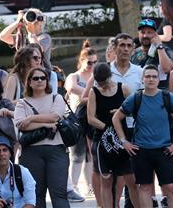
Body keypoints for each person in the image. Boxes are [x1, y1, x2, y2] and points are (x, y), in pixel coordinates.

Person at [112, 65, 173, 208]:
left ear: (158, 79)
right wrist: (124, 142)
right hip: (141, 150)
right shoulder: (135, 98)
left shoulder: (166, 97)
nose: (151, 79)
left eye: (154, 76)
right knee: (145, 188)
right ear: (142, 79)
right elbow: (116, 118)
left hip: (164, 150)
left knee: (171, 188)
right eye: (147, 76)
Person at [14, 66, 69, 208]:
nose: (39, 80)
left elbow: (55, 117)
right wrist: (45, 125)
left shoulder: (57, 98)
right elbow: (20, 124)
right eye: (35, 78)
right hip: (31, 152)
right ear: (29, 82)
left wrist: (31, 118)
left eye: (43, 78)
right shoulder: (22, 102)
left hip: (56, 150)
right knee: (36, 195)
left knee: (59, 194)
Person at [86, 62, 135, 208]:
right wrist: (109, 126)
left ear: (110, 76)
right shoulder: (94, 92)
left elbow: (135, 109)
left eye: (104, 82)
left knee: (129, 178)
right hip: (102, 140)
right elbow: (91, 118)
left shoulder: (123, 89)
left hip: (122, 139)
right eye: (99, 83)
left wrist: (120, 112)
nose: (102, 85)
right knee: (105, 180)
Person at [64, 42, 97, 202]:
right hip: (76, 120)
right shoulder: (74, 76)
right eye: (89, 62)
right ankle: (73, 187)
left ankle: (90, 185)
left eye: (95, 62)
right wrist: (94, 92)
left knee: (91, 155)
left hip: (91, 118)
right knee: (77, 155)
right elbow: (73, 88)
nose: (92, 65)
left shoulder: (95, 77)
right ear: (82, 60)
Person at [131, 19, 173, 88]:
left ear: (155, 34)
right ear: (138, 34)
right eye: (143, 32)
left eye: (149, 32)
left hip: (161, 94)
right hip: (140, 94)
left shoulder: (165, 50)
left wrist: (159, 46)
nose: (145, 35)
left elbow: (167, 69)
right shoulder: (134, 53)